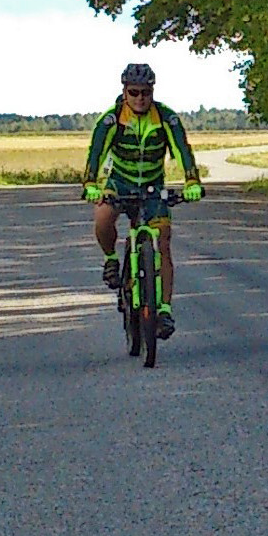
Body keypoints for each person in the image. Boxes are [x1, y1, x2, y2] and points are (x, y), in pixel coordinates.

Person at [83, 61, 202, 339]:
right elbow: (96, 153)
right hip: (120, 182)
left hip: (152, 185)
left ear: (152, 92)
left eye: (145, 92)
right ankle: (111, 260)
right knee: (103, 217)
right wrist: (90, 184)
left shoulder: (166, 118)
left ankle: (164, 311)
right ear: (124, 92)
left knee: (163, 242)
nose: (140, 98)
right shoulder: (111, 120)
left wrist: (192, 181)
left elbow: (182, 151)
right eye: (134, 92)